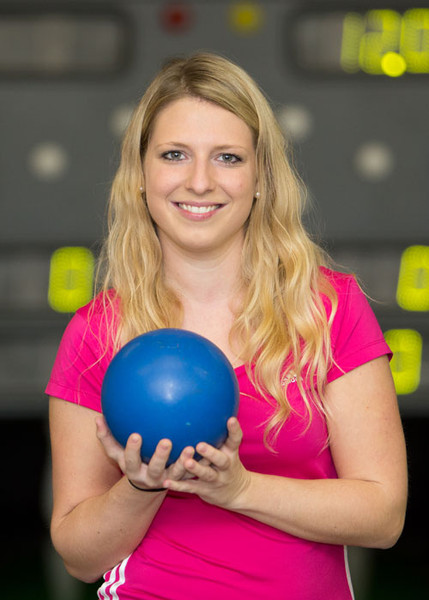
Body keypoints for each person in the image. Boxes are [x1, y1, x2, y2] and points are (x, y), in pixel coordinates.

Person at [47, 52, 408, 600]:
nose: (199, 181)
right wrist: (141, 486)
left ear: (261, 178)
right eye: (174, 155)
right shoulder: (96, 335)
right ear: (141, 174)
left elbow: (383, 516)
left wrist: (239, 489)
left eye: (228, 158)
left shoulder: (328, 309)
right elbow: (79, 557)